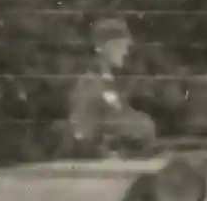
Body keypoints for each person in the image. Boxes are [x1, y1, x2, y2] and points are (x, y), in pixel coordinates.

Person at [63, 15, 160, 155]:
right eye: (118, 45)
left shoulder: (109, 82)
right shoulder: (89, 83)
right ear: (100, 48)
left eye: (125, 46)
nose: (125, 51)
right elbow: (82, 131)